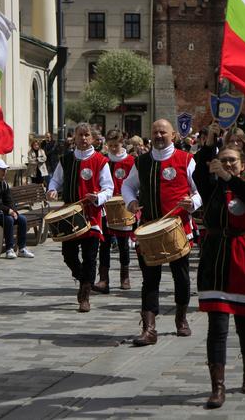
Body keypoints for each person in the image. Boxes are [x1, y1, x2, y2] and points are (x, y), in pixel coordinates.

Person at [193, 144, 245, 409]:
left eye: (232, 161)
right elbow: (197, 172)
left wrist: (229, 178)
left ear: (243, 163)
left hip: (244, 260)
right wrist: (209, 143)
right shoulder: (212, 188)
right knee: (217, 327)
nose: (227, 165)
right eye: (223, 161)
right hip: (215, 259)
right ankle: (218, 387)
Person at [121, 119, 202, 346]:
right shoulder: (142, 162)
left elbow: (200, 190)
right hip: (148, 230)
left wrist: (193, 202)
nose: (158, 136)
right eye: (155, 132)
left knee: (182, 278)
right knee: (150, 280)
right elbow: (127, 185)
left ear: (173, 135)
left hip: (177, 229)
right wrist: (131, 201)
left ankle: (181, 318)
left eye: (163, 132)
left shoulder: (186, 160)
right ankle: (149, 329)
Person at [47, 123, 113, 312]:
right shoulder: (66, 159)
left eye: (87, 135)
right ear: (74, 138)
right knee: (68, 255)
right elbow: (56, 179)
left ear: (92, 138)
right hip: (69, 215)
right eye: (80, 135)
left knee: (90, 257)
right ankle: (84, 278)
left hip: (91, 215)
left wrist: (98, 197)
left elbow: (108, 188)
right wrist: (52, 189)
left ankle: (84, 296)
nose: (83, 139)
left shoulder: (100, 160)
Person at [92, 129, 135, 293]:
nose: (113, 149)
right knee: (104, 244)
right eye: (110, 146)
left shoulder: (131, 161)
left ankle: (125, 276)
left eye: (116, 145)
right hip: (105, 206)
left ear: (122, 143)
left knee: (123, 244)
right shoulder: (103, 161)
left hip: (124, 207)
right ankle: (103, 279)